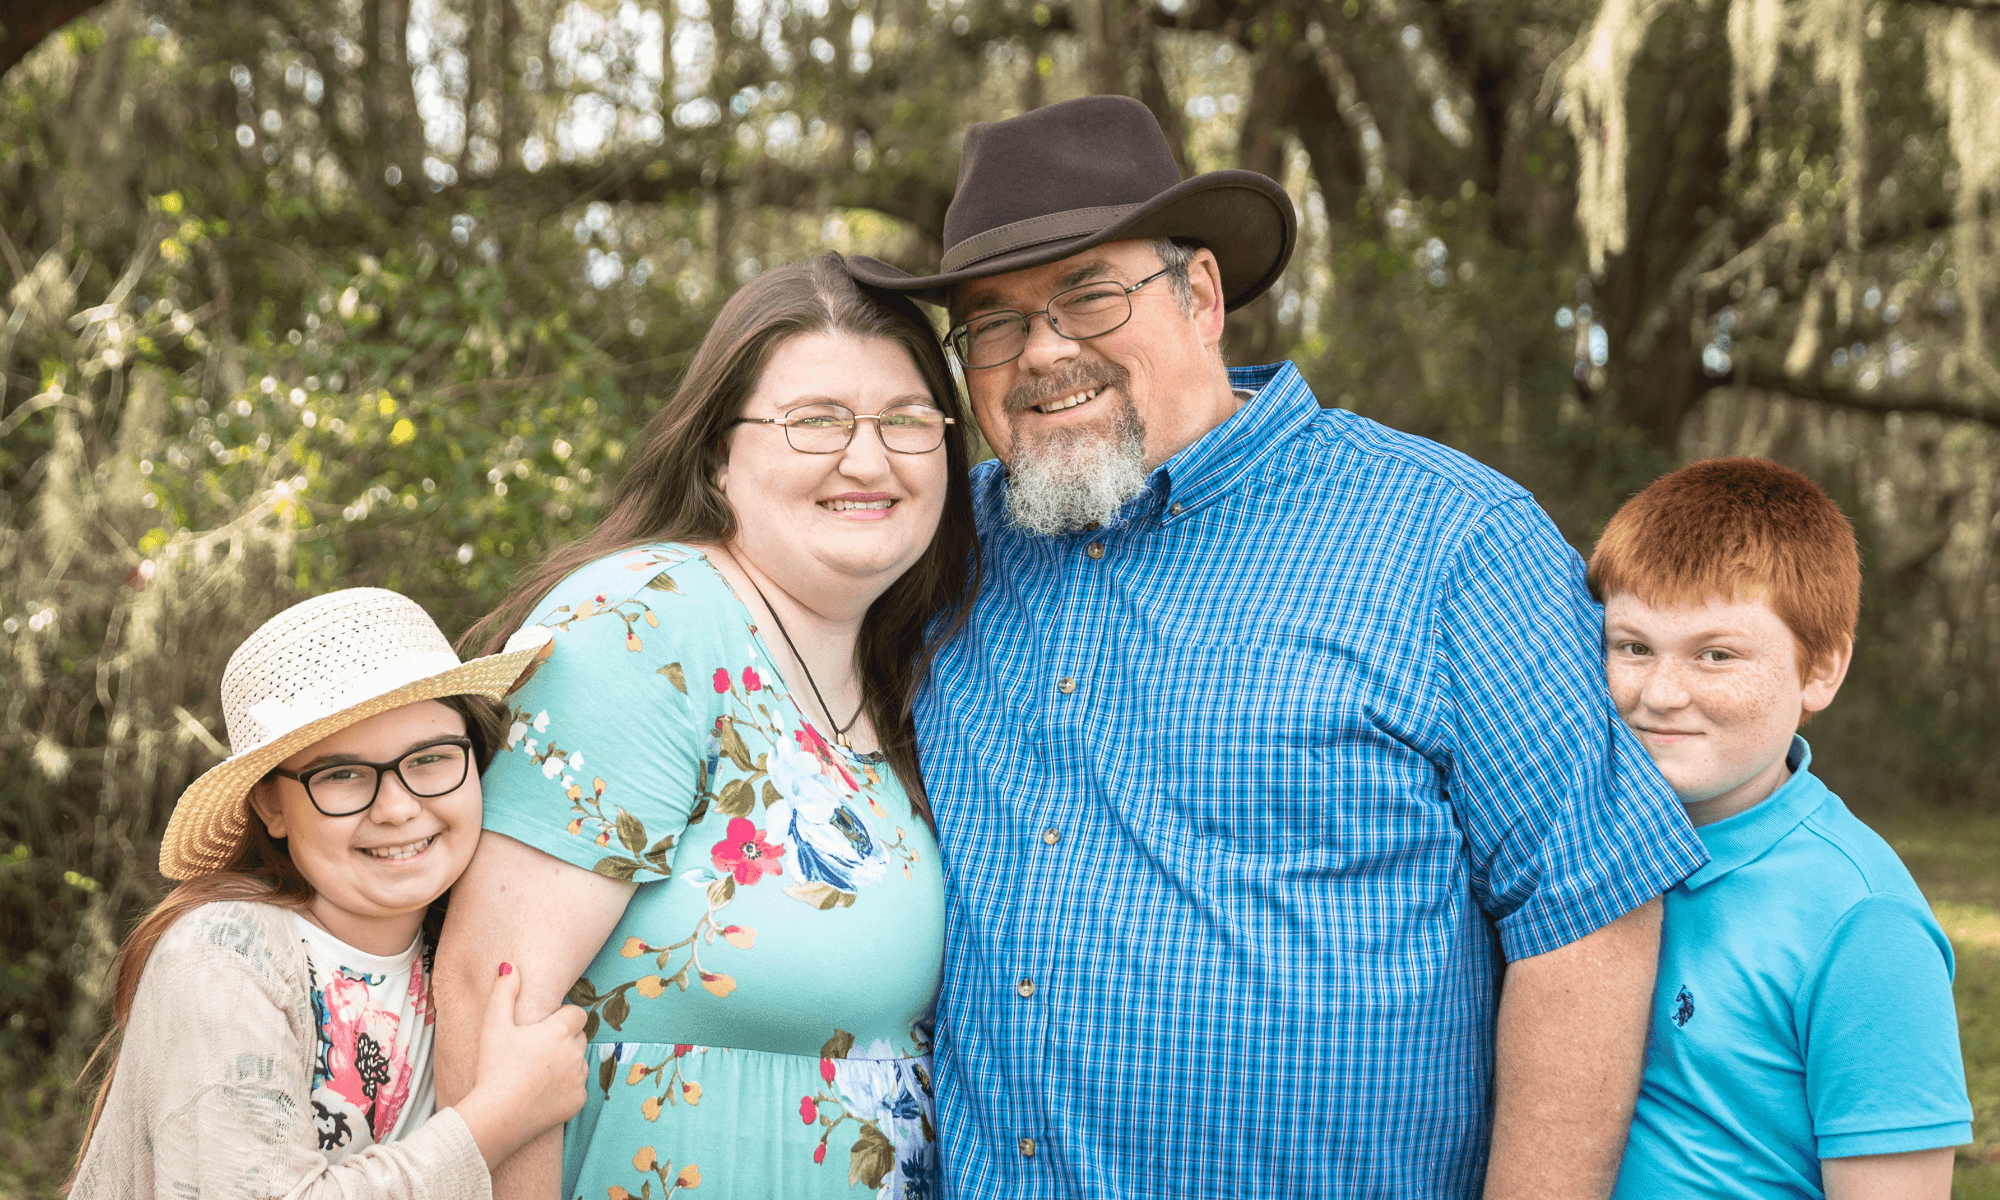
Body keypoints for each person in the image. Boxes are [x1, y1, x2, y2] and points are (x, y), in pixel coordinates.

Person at [844, 94, 1709, 1197]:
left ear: (1199, 295)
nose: (1042, 351)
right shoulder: (931, 555)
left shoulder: (1448, 538)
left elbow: (1587, 922)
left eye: (1087, 294)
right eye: (993, 323)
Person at [432, 254, 978, 1200]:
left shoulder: (900, 674)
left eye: (905, 420)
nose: (868, 457)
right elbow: (491, 1003)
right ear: (718, 458)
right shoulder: (643, 626)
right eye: (815, 421)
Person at [69, 587, 587, 1199]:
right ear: (271, 805)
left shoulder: (466, 945)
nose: (397, 808)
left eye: (430, 759)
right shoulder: (223, 957)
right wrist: (504, 1113)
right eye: (342, 775)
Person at [1591, 457, 1970, 1199]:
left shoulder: (1863, 923)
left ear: (1821, 670)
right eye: (1632, 646)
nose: (1660, 694)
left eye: (1717, 655)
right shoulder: (1581, 841)